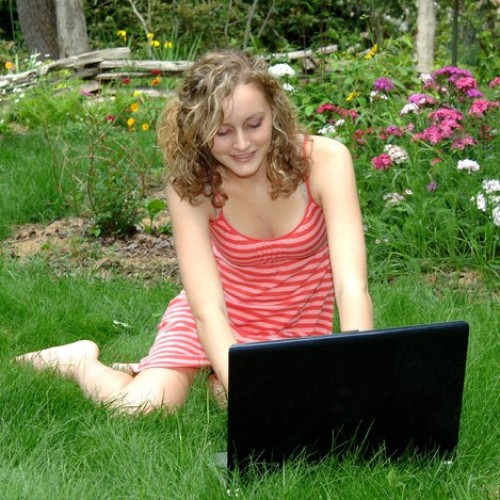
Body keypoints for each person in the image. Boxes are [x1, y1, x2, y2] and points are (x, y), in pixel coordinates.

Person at [16, 49, 373, 414]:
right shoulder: (193, 185)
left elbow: (351, 287)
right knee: (144, 407)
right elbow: (209, 312)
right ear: (198, 130)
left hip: (295, 329)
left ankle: (201, 377)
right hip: (213, 323)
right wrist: (252, 393)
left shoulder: (325, 160)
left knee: (245, 400)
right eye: (222, 132)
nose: (242, 144)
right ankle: (81, 362)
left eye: (254, 124)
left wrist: (357, 372)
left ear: (275, 114)